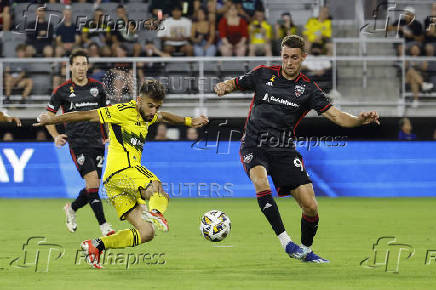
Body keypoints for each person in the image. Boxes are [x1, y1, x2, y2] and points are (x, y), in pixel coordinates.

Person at [214, 35, 380, 263]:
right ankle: (285, 241)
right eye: (285, 57)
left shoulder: (308, 90)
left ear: (303, 57)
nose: (289, 62)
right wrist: (224, 86)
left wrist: (360, 120)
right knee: (260, 181)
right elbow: (235, 82)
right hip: (254, 143)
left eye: (294, 57)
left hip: (284, 149)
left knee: (310, 206)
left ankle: (305, 250)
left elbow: (337, 117)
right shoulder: (263, 74)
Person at [34, 79, 209, 269]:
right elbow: (85, 115)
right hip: (123, 170)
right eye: (150, 105)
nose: (153, 111)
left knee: (146, 232)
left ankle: (96, 246)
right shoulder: (122, 111)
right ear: (139, 100)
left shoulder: (149, 115)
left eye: (156, 106)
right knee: (157, 189)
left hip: (113, 183)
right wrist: (53, 119)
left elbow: (164, 116)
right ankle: (156, 212)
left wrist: (189, 121)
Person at [44, 49, 114, 237]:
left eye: (84, 64)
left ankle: (72, 209)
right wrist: (55, 135)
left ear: (87, 66)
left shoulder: (98, 88)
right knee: (92, 182)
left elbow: (107, 114)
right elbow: (49, 115)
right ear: (71, 66)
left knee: (93, 187)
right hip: (77, 143)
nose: (81, 68)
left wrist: (108, 135)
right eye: (77, 64)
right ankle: (104, 225)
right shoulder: (62, 90)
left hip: (97, 142)